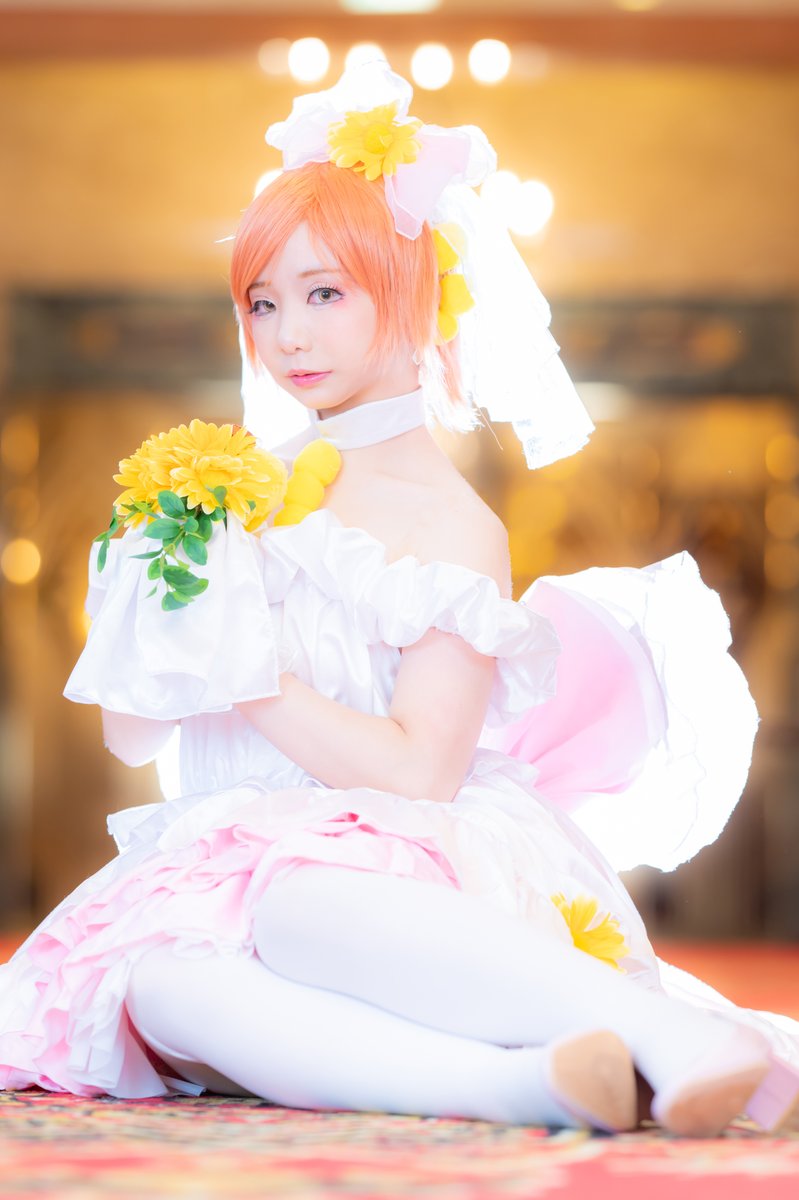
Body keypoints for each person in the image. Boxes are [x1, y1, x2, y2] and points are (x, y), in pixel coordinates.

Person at [1, 62, 797, 1137]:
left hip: (391, 859)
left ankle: (666, 1037)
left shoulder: (453, 527)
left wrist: (249, 674)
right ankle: (534, 1084)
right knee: (154, 984)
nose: (288, 335)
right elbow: (138, 731)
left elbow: (420, 773)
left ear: (412, 293)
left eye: (324, 293)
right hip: (222, 859)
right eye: (263, 302)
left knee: (294, 906)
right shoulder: (226, 492)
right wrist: (154, 602)